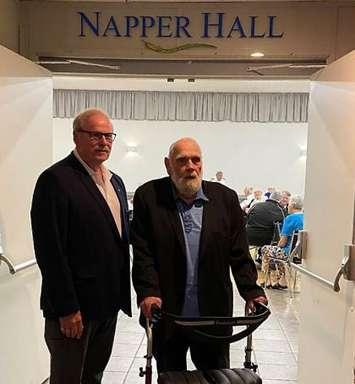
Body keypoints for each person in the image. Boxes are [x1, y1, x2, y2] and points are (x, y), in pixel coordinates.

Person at [131, 137, 267, 373]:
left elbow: (239, 252)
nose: (190, 166)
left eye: (196, 160)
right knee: (170, 375)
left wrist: (252, 291)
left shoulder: (225, 199)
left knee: (215, 374)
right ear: (168, 164)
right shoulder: (149, 196)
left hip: (213, 314)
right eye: (182, 160)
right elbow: (143, 253)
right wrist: (148, 291)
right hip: (167, 313)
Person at [31, 109, 131, 384]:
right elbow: (50, 250)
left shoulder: (116, 182)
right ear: (76, 137)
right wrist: (66, 308)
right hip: (74, 311)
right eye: (95, 135)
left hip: (107, 305)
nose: (104, 142)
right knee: (68, 379)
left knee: (93, 377)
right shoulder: (55, 180)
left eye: (108, 136)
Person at [261, 196, 304, 289]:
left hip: (289, 253)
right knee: (275, 252)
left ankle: (268, 281)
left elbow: (282, 243)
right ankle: (282, 280)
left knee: (265, 249)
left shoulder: (290, 218)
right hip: (301, 254)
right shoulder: (306, 218)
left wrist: (276, 245)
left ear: (292, 205)